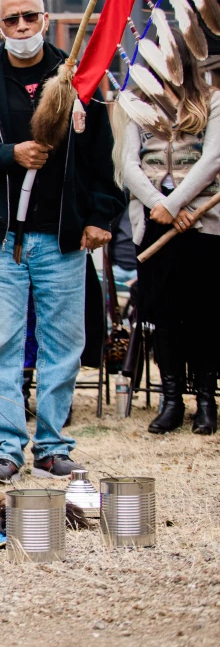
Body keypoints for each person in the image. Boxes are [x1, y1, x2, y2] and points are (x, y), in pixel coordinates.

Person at [0, 0, 124, 485]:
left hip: (63, 235)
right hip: (1, 238)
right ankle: (5, 448)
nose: (22, 28)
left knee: (62, 342)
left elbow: (101, 160)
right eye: (11, 21)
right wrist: (11, 155)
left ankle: (51, 444)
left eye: (30, 17)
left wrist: (101, 216)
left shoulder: (76, 77)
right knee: (1, 342)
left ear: (45, 19)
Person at [121, 29, 219, 435]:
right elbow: (127, 164)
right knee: (162, 314)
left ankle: (206, 402)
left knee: (204, 315)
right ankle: (172, 399)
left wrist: (177, 204)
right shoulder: (135, 107)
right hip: (154, 225)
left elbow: (214, 157)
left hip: (203, 224)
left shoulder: (212, 101)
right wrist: (159, 205)